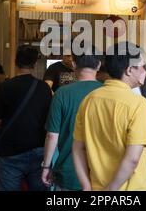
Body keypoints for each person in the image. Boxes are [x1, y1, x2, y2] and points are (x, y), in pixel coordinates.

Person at [72, 42, 146, 191]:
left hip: (97, 187)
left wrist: (86, 185)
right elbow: (133, 158)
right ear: (129, 70)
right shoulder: (138, 104)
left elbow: (77, 149)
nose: (145, 71)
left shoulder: (89, 99)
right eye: (143, 66)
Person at [0, 46, 52, 191]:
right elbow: (49, 120)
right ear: (35, 64)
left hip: (10, 151)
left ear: (15, 63)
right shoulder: (44, 88)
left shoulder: (4, 87)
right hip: (38, 150)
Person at [42, 50, 102, 191]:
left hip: (68, 170)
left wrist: (46, 166)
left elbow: (52, 136)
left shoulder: (61, 94)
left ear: (74, 64)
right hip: (101, 172)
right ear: (98, 65)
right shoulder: (107, 91)